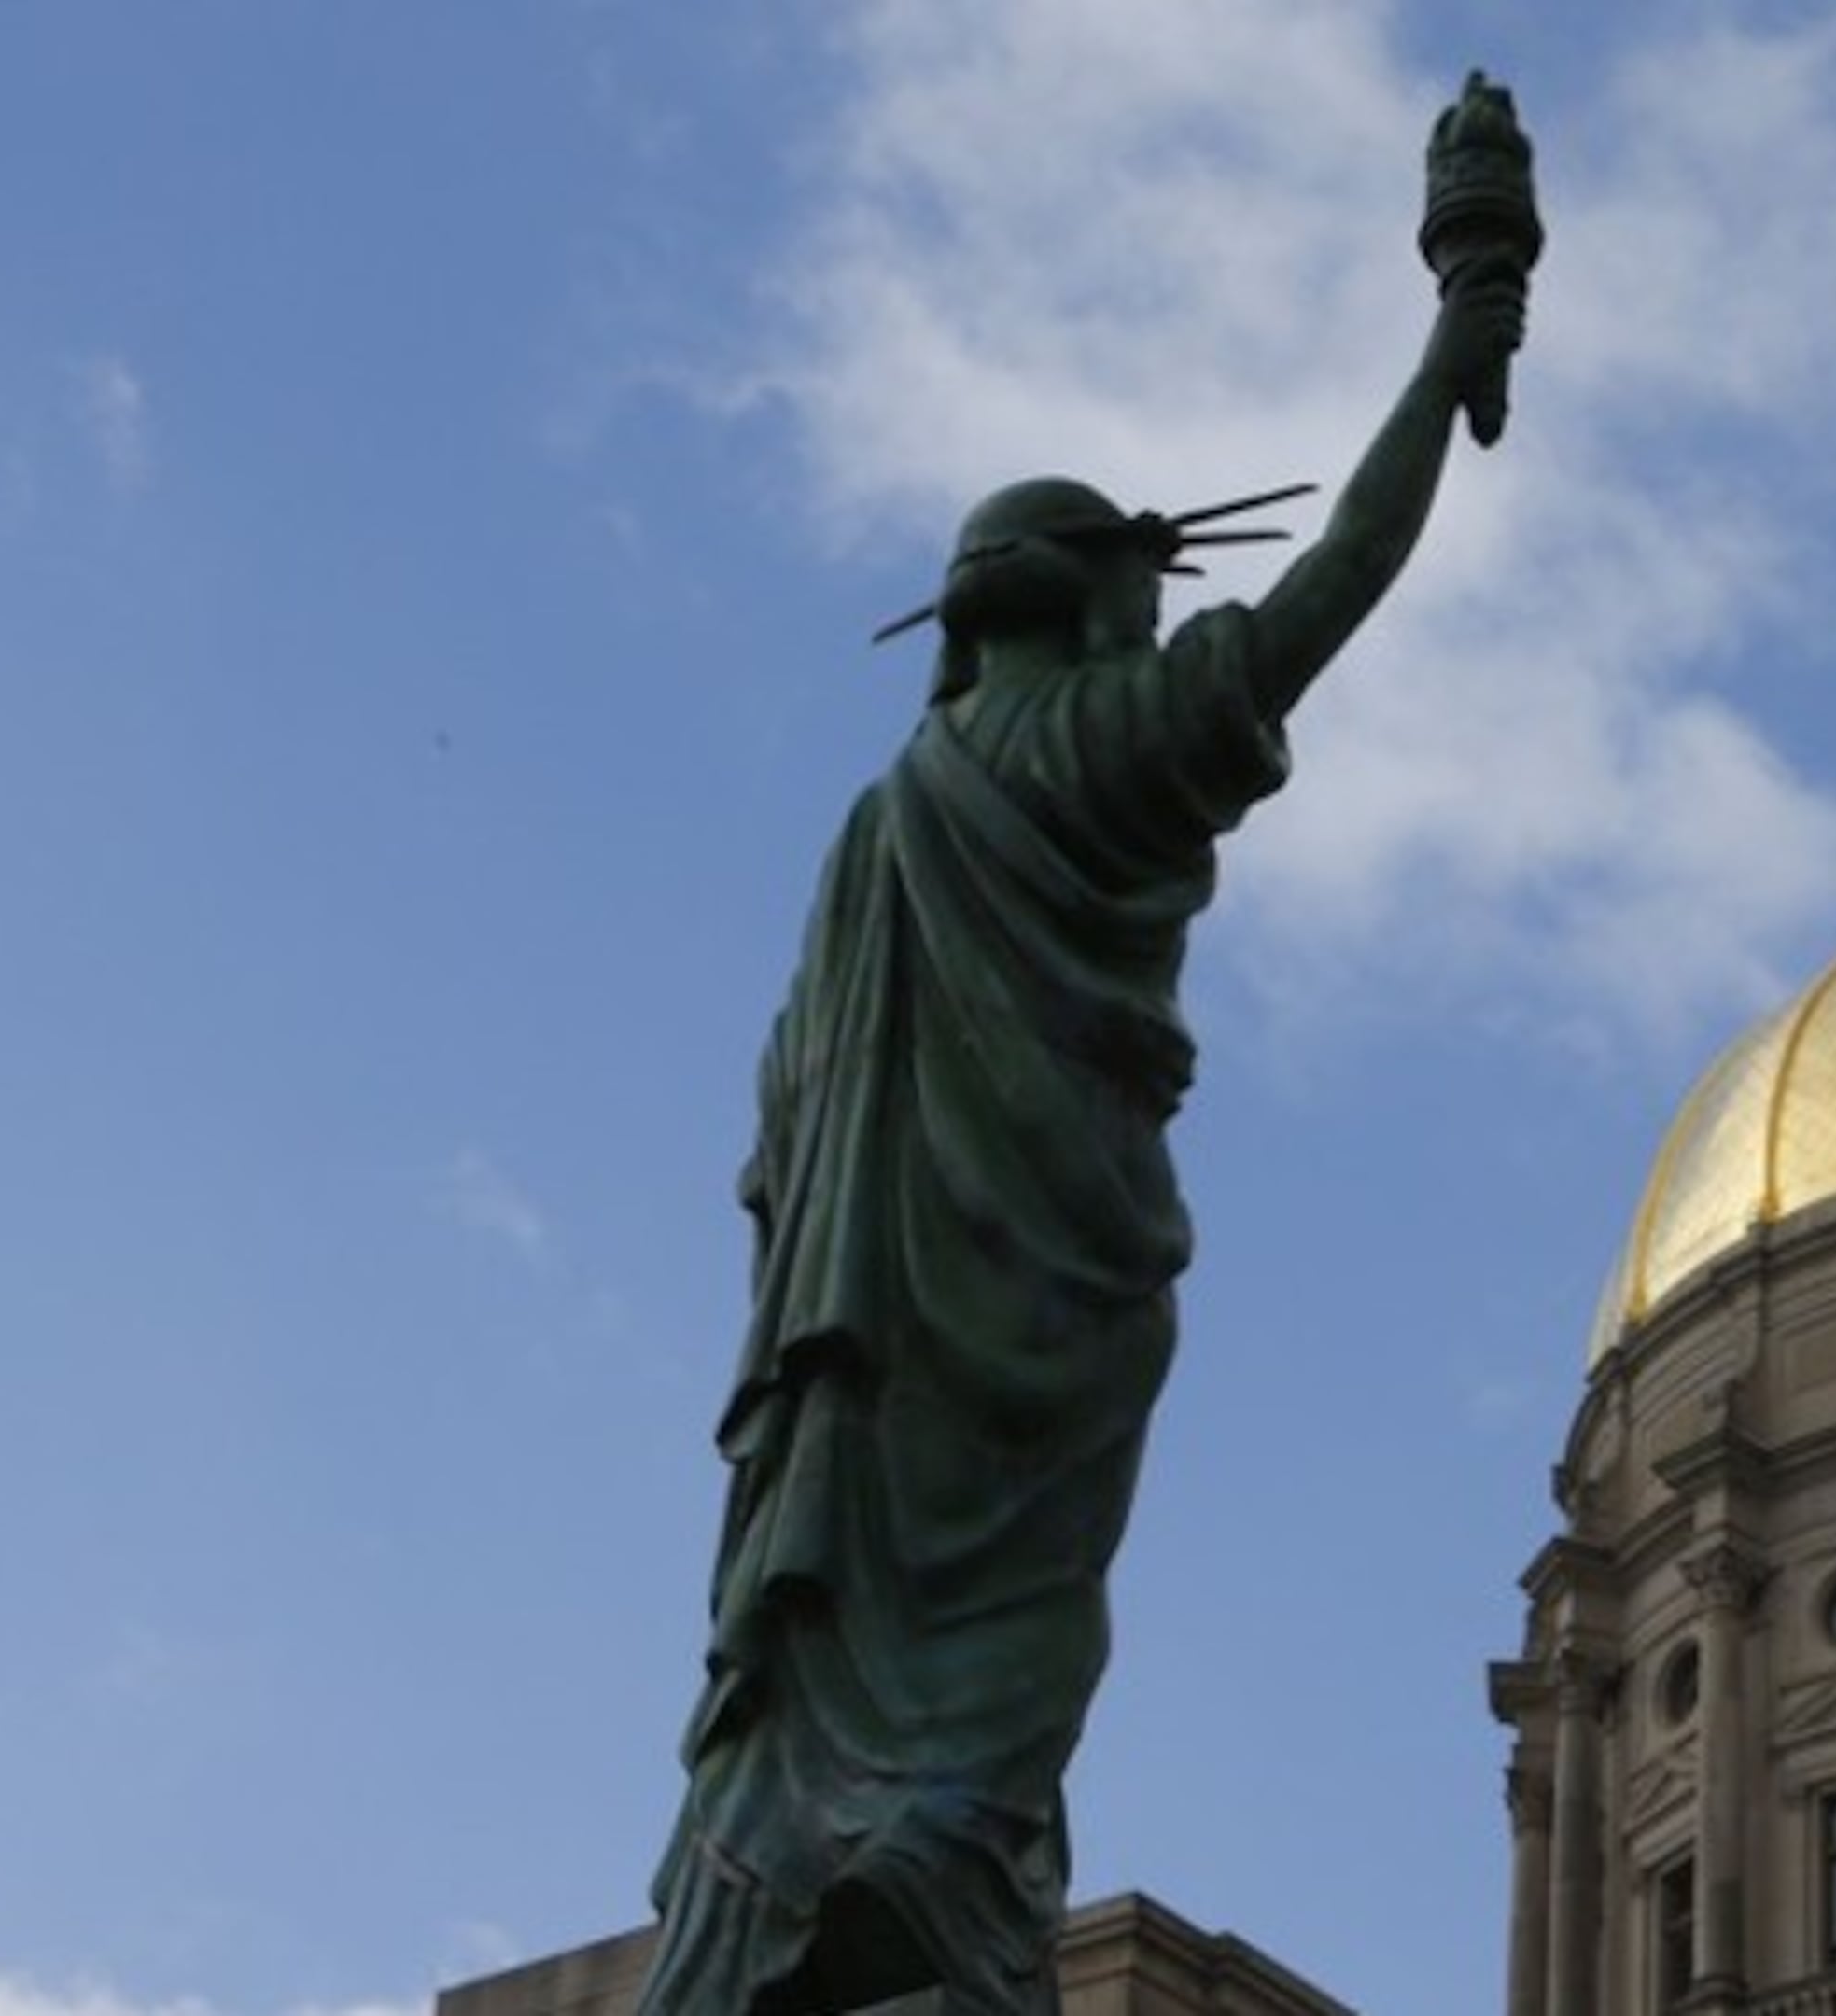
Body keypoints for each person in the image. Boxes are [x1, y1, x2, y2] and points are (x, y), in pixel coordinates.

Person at [637, 255, 1525, 2016]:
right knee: (1015, 1647)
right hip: (1044, 1287)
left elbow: (775, 1125)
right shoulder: (1097, 743)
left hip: (853, 1322)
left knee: (863, 1639)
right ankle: (928, 1879)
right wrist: (1460, 335)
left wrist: (817, 1258)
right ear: (1081, 599)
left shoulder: (886, 820)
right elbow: (1331, 584)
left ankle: (814, 1877)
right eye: (1130, 580)